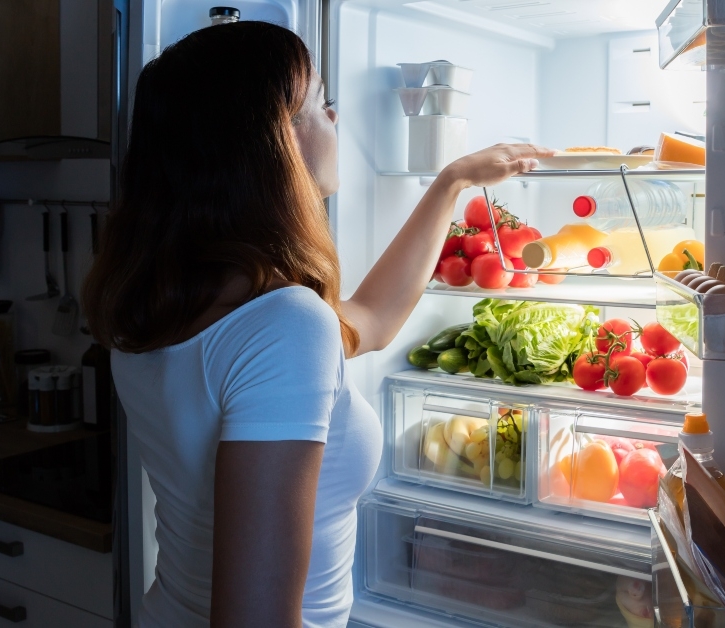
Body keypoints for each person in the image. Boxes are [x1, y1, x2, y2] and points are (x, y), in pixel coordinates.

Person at [82, 21, 551, 628]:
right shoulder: (283, 324)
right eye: (322, 105)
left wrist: (452, 180)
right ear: (279, 140)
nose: (337, 118)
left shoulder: (162, 300)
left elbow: (371, 320)